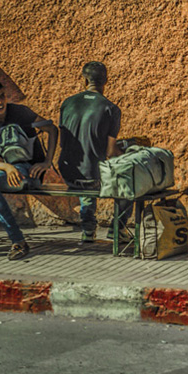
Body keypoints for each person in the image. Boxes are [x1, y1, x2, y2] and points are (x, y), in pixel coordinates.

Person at [0, 76, 58, 260]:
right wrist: (6, 167)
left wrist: (46, 163)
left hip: (29, 172)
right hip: (9, 170)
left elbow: (52, 129)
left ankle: (18, 241)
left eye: (2, 96)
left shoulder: (21, 113)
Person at [58, 61, 131, 244]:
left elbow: (64, 141)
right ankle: (118, 228)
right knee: (130, 181)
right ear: (106, 81)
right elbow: (110, 151)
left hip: (67, 173)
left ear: (84, 81)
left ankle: (88, 229)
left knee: (88, 169)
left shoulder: (67, 104)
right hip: (91, 177)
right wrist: (126, 148)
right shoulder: (111, 108)